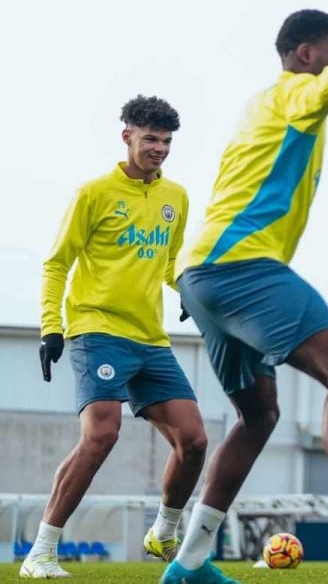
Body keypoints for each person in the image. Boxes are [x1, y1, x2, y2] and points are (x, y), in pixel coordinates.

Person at [163, 8, 328, 584]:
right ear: (306, 55)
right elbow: (327, 92)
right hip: (238, 267)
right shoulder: (291, 95)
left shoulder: (269, 110)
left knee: (258, 416)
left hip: (209, 274)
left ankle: (188, 562)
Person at [23, 96, 206, 579]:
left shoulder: (177, 198)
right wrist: (51, 328)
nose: (160, 149)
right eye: (151, 139)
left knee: (194, 440)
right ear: (127, 136)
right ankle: (41, 552)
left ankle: (163, 532)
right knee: (103, 433)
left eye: (167, 142)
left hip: (150, 337)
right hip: (96, 330)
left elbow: (168, 263)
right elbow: (57, 263)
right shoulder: (94, 193)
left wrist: (185, 286)